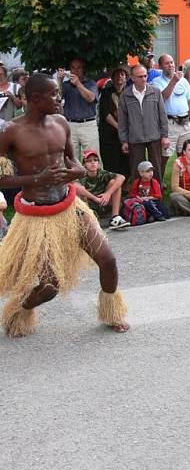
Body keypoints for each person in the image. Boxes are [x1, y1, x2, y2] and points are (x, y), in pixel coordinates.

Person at [0, 73, 129, 336]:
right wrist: (38, 178)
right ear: (35, 99)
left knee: (108, 260)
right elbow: (1, 178)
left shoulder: (61, 122)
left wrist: (77, 172)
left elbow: (73, 162)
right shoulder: (11, 131)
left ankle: (111, 311)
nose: (59, 99)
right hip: (37, 218)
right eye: (54, 94)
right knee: (50, 286)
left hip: (71, 207)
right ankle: (20, 310)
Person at [118, 64, 170, 185]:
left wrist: (165, 135)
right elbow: (122, 121)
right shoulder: (125, 95)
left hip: (154, 135)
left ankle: (157, 193)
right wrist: (124, 140)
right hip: (135, 138)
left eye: (145, 76)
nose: (143, 79)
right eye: (140, 76)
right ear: (132, 78)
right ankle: (137, 194)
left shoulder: (155, 92)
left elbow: (163, 115)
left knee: (156, 166)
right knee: (136, 167)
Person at [151, 54, 190, 176]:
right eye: (167, 63)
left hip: (186, 123)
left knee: (187, 153)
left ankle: (186, 180)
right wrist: (173, 81)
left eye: (172, 62)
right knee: (164, 156)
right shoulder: (156, 82)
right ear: (160, 66)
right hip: (169, 123)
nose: (171, 65)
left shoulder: (184, 81)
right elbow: (162, 97)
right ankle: (158, 181)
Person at [57, 57, 100, 163]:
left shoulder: (90, 83)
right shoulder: (66, 85)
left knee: (93, 157)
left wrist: (78, 84)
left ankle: (95, 179)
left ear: (83, 69)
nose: (75, 71)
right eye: (72, 68)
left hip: (88, 125)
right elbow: (57, 98)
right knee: (71, 159)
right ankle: (75, 180)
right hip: (70, 125)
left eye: (78, 68)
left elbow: (91, 98)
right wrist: (59, 80)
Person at [98, 67, 130, 177]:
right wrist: (119, 127)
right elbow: (105, 113)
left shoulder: (130, 92)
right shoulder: (106, 93)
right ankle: (111, 182)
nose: (120, 76)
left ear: (126, 77)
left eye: (122, 74)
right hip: (109, 132)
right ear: (113, 78)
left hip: (127, 132)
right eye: (117, 74)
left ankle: (125, 185)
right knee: (111, 160)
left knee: (126, 160)